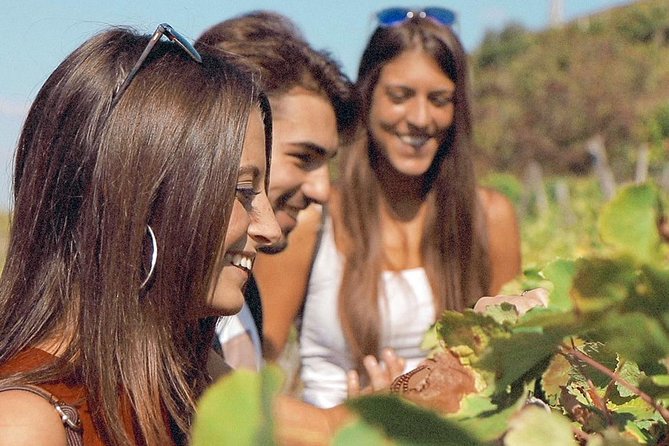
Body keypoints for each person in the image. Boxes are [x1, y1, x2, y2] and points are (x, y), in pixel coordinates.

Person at [0, 23, 281, 445]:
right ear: (138, 204)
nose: (271, 229)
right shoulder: (28, 425)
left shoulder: (191, 381)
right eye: (242, 191)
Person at [256, 7, 523, 408]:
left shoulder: (491, 219)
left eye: (439, 100)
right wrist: (355, 416)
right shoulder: (312, 219)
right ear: (367, 97)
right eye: (400, 97)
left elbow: (510, 368)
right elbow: (255, 371)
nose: (419, 118)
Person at [195, 11, 358, 370]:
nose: (322, 190)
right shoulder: (160, 315)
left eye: (327, 162)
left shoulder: (241, 290)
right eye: (303, 157)